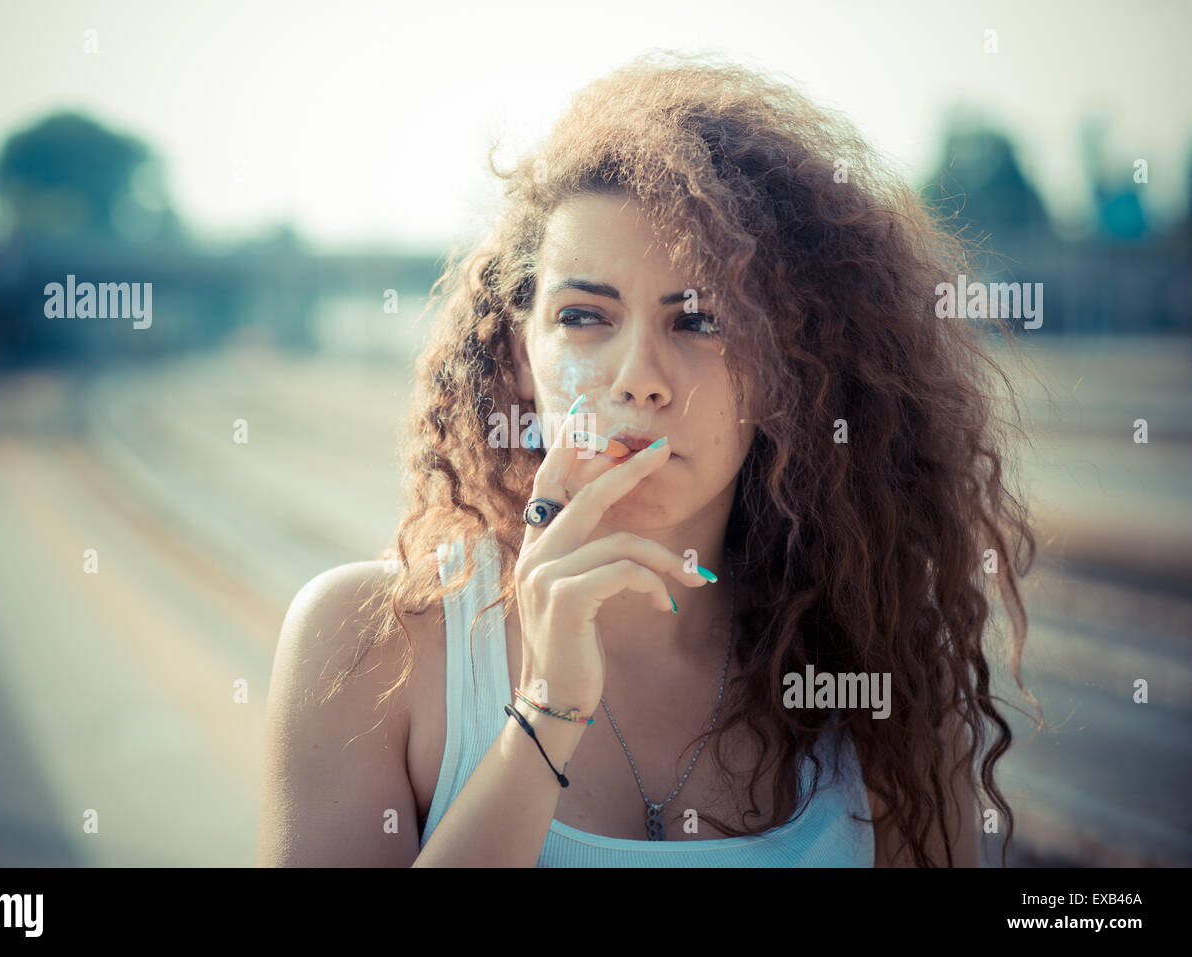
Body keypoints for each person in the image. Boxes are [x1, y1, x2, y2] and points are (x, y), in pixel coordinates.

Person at [257, 51, 1038, 868]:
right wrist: (547, 712)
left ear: (787, 372)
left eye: (700, 321)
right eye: (585, 315)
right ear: (520, 354)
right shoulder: (365, 642)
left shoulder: (881, 667)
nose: (638, 378)